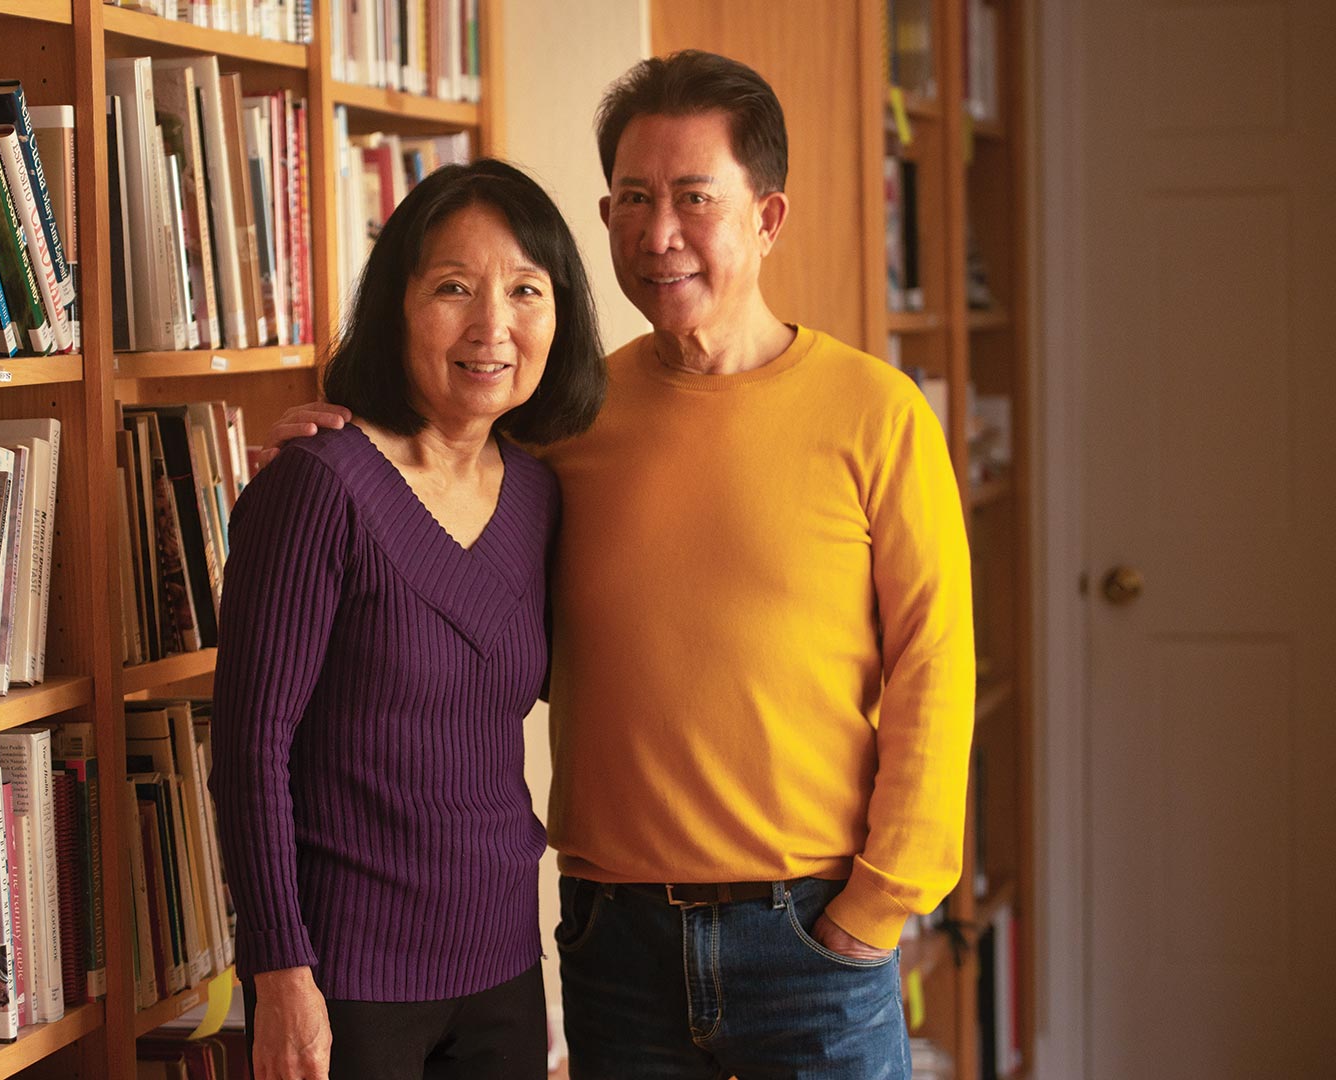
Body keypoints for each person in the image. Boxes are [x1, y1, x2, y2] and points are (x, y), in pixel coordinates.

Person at [261, 50, 974, 1079]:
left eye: (694, 198)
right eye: (632, 199)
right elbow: (436, 522)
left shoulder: (877, 414)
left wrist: (879, 905)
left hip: (812, 938)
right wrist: (329, 446)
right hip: (614, 948)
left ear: (768, 217)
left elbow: (934, 668)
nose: (658, 233)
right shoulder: (564, 421)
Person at [209, 158, 606, 1080]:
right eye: (453, 288)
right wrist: (280, 975)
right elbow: (249, 747)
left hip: (504, 967)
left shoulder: (542, 494)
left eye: (526, 291)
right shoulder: (318, 484)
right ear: (397, 305)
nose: (492, 326)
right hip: (347, 984)